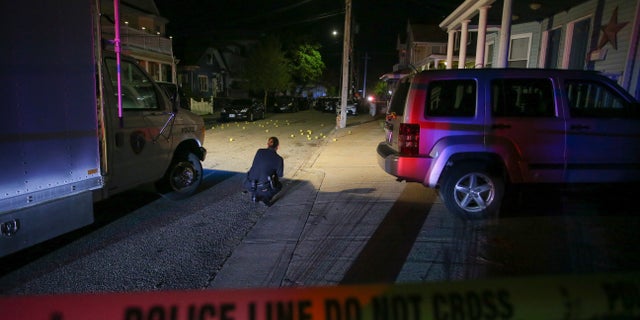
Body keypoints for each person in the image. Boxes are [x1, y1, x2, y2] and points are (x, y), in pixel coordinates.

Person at [244, 136, 284, 206]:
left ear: (267, 144)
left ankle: (255, 194)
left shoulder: (259, 151)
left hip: (248, 183)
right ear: (277, 146)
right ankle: (265, 198)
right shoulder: (279, 159)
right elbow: (280, 174)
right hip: (262, 187)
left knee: (259, 172)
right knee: (279, 185)